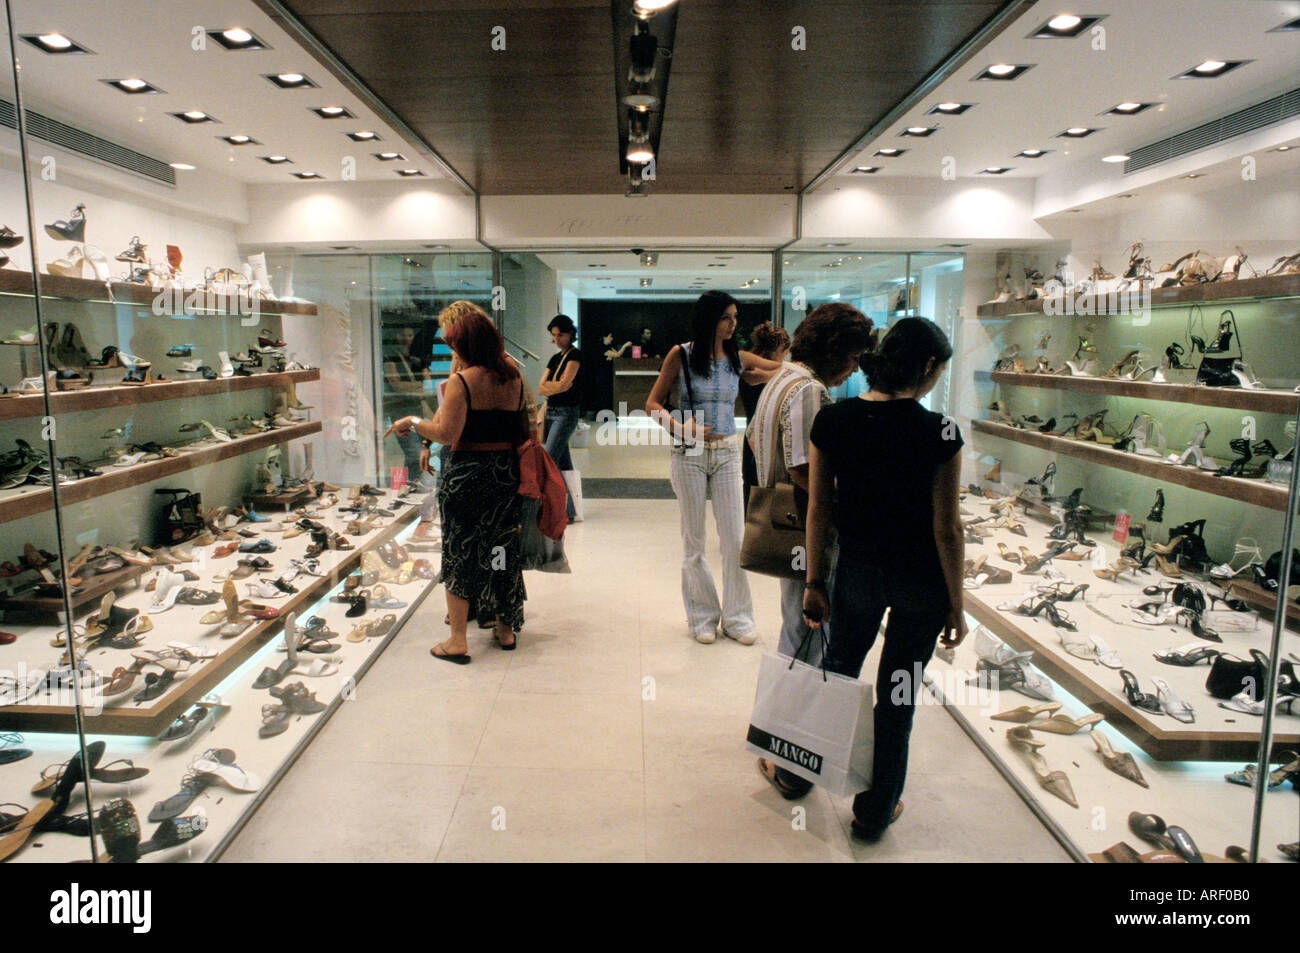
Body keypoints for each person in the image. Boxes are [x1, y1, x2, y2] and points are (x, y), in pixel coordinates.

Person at [767, 317, 965, 842]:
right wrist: (957, 603)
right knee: (897, 698)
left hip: (856, 573)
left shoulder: (837, 421)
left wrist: (814, 581)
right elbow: (947, 528)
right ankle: (874, 812)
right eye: (939, 370)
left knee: (835, 674)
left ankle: (795, 771)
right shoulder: (940, 430)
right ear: (926, 367)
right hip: (920, 584)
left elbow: (819, 513)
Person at [385, 301, 538, 663]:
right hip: (504, 472)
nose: (450, 350)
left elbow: (446, 431)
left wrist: (414, 422)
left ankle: (458, 639)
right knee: (501, 549)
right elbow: (524, 424)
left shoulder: (462, 381)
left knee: (460, 552)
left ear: (464, 346)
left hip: (466, 475)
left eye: (453, 344)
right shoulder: (512, 375)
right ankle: (504, 627)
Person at [646, 291, 782, 644]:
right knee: (694, 540)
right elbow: (653, 403)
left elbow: (781, 371)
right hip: (688, 452)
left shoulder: (737, 356)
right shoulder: (682, 354)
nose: (733, 324)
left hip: (726, 452)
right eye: (727, 317)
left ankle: (737, 617)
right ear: (709, 319)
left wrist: (764, 374)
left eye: (735, 317)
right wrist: (681, 426)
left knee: (735, 537)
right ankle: (702, 616)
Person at [739, 322, 790, 508]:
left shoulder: (751, 367)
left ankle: (752, 529)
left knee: (751, 486)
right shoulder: (775, 372)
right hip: (771, 435)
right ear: (779, 347)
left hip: (751, 434)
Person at [537, 314, 582, 522]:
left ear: (570, 334)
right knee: (563, 464)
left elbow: (566, 385)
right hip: (553, 412)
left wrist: (551, 388)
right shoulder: (555, 358)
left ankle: (558, 510)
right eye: (554, 335)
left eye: (560, 335)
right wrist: (555, 388)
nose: (556, 339)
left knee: (549, 459)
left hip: (566, 413)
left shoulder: (575, 356)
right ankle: (571, 511)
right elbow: (540, 387)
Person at [382, 325, 432, 487]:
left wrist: (418, 386)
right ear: (396, 336)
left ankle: (408, 489)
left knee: (413, 455)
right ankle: (418, 489)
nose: (408, 339)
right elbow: (397, 385)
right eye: (404, 335)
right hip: (401, 412)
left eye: (411, 335)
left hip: (415, 412)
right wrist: (417, 386)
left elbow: (427, 385)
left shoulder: (413, 359)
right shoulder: (390, 358)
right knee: (414, 454)